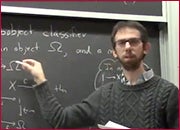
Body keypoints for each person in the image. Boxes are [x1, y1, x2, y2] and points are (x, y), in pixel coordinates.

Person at [21, 21, 178, 128]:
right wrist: (40, 79)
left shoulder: (167, 93)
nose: (128, 47)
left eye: (134, 41)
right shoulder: (104, 96)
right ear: (114, 52)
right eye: (122, 43)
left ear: (146, 48)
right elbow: (60, 120)